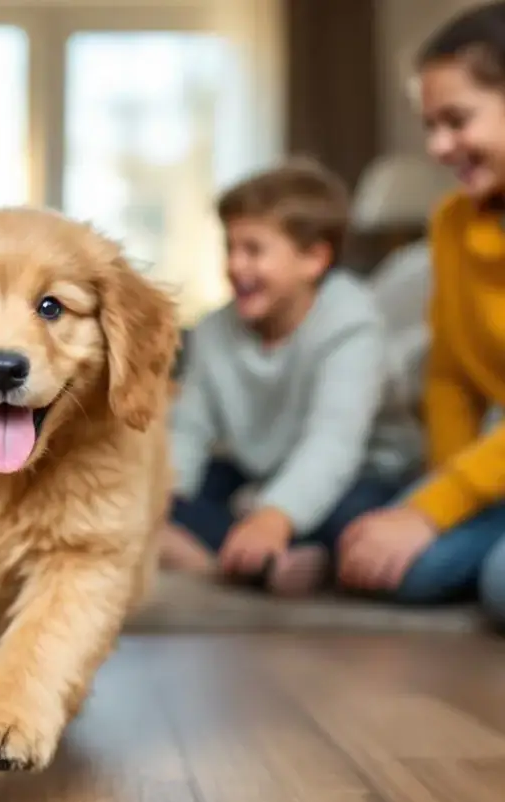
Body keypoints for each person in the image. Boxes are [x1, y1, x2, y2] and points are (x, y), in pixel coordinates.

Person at [161, 158, 411, 596]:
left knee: (357, 518)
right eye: (230, 247)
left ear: (313, 259)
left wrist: (275, 514)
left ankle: (254, 550)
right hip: (263, 468)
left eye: (254, 250)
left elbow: (332, 445)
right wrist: (163, 495)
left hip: (361, 470)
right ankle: (264, 560)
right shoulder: (213, 331)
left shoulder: (352, 324)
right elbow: (190, 428)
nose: (236, 266)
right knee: (160, 494)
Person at [338, 1, 505, 619]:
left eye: (457, 121)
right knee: (396, 564)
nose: (438, 146)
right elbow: (449, 378)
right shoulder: (451, 225)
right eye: (430, 125)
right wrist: (436, 496)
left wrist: (433, 509)